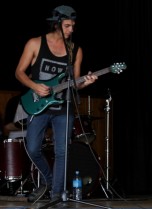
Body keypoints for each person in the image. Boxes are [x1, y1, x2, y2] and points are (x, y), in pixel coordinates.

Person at [15, 5, 98, 202]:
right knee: (33, 148)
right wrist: (35, 86)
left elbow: (74, 84)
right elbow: (19, 72)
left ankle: (56, 195)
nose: (71, 30)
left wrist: (86, 81)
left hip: (63, 107)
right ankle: (50, 181)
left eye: (73, 26)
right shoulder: (35, 43)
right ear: (56, 24)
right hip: (38, 104)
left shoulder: (75, 50)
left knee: (62, 151)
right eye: (67, 25)